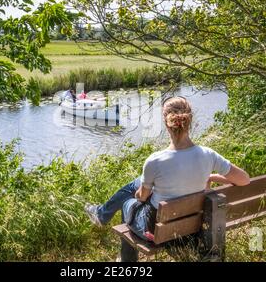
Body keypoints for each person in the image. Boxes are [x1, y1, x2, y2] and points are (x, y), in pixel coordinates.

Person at [84, 96, 250, 261]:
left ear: (166, 122)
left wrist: (140, 194)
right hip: (190, 227)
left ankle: (126, 260)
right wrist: (212, 176)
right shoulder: (208, 155)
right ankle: (101, 214)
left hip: (156, 230)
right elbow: (244, 180)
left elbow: (141, 197)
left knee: (129, 202)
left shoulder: (155, 161)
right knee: (139, 182)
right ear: (190, 119)